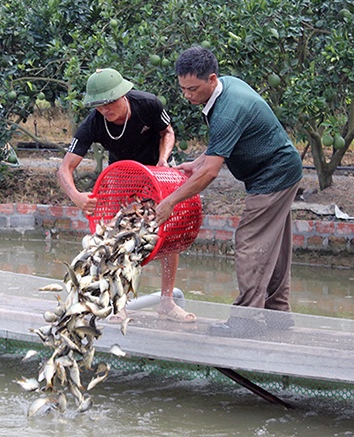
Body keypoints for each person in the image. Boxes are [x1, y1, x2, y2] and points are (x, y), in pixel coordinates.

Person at [154, 46, 303, 337]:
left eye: (193, 89)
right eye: (183, 88)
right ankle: (277, 314)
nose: (187, 96)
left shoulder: (227, 112)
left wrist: (171, 201)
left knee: (249, 242)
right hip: (282, 168)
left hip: (273, 176)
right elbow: (220, 150)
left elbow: (211, 173)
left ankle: (246, 320)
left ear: (211, 79)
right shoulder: (228, 88)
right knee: (274, 245)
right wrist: (198, 162)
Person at [57, 67, 196, 323]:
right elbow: (65, 168)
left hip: (157, 172)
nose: (105, 111)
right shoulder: (94, 122)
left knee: (168, 233)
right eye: (99, 106)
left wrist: (164, 160)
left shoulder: (148, 104)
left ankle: (166, 302)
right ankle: (118, 304)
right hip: (123, 177)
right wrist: (76, 196)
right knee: (117, 239)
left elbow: (167, 132)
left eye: (109, 103)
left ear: (123, 95)